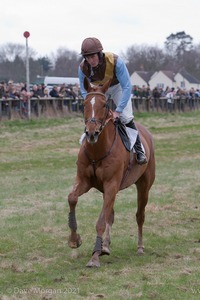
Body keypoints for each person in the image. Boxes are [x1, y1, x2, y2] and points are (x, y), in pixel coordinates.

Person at [78, 37, 147, 164]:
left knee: (126, 117)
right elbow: (83, 90)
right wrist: (90, 104)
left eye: (92, 56)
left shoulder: (115, 61)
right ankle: (85, 143)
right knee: (93, 116)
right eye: (87, 57)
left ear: (99, 54)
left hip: (117, 88)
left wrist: (118, 111)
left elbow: (127, 87)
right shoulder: (82, 67)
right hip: (98, 91)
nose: (90, 60)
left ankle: (139, 149)